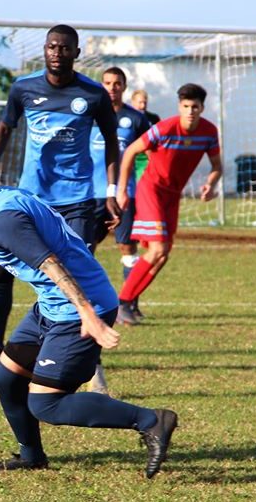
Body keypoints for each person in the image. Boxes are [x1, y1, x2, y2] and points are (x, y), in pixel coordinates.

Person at [0, 137, 178, 478]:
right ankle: (32, 455)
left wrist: (88, 313)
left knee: (46, 403)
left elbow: (51, 263)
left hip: (79, 309)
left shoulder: (4, 221)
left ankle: (151, 420)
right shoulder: (4, 199)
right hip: (51, 307)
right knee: (5, 378)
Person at [0, 24, 118, 395]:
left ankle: (92, 365)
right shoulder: (23, 88)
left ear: (76, 53)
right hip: (31, 200)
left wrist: (112, 191)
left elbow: (112, 142)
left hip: (78, 200)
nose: (57, 52)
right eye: (51, 46)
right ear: (44, 50)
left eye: (65, 48)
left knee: (76, 276)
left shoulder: (93, 94)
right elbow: (3, 130)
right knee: (1, 275)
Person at [114, 83, 223, 325]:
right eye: (185, 106)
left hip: (173, 195)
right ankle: (122, 302)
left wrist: (210, 184)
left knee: (163, 255)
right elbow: (131, 150)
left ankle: (130, 302)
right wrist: (121, 189)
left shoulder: (208, 132)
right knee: (157, 249)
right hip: (151, 189)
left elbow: (217, 166)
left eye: (195, 106)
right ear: (179, 107)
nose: (190, 111)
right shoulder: (164, 128)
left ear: (202, 108)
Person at [90, 68, 152, 321]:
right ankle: (88, 306)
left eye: (117, 83)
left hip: (124, 194)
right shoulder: (89, 116)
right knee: (85, 248)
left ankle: (127, 305)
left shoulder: (135, 119)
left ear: (124, 87)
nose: (112, 87)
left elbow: (150, 154)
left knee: (127, 247)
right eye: (107, 83)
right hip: (91, 192)